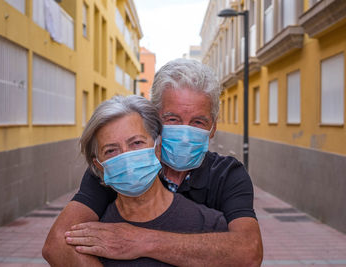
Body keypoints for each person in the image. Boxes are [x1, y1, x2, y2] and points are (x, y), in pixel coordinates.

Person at [43, 59, 263, 267]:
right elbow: (58, 243)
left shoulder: (227, 174)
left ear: (213, 127)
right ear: (155, 118)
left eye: (198, 122)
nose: (185, 134)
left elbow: (248, 253)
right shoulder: (119, 167)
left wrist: (141, 241)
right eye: (173, 119)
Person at [71, 95, 227, 266]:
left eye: (136, 143)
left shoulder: (210, 225)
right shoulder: (91, 237)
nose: (126, 157)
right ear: (99, 165)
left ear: (158, 149)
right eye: (111, 151)